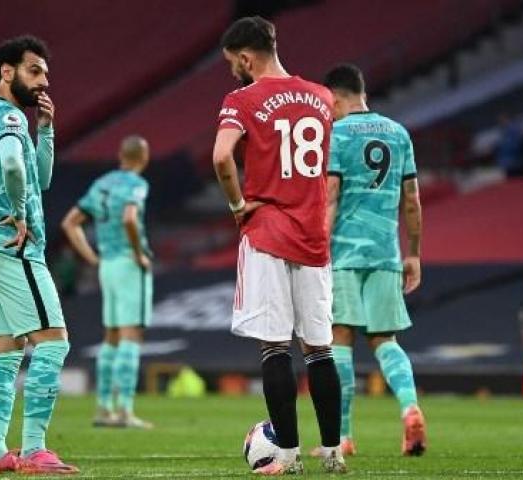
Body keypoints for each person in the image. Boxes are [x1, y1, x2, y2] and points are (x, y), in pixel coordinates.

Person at [213, 16, 346, 475]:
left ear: (246, 57)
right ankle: (332, 452)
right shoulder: (323, 97)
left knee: (274, 348)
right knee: (320, 348)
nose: (235, 72)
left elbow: (220, 156)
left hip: (268, 230)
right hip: (313, 235)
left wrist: (236, 204)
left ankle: (286, 454)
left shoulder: (241, 99)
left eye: (235, 64)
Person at [0, 35, 78, 475]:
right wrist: (18, 214)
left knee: (6, 352)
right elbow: (13, 168)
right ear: (7, 72)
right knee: (53, 343)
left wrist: (46, 132)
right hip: (14, 247)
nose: (44, 81)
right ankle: (34, 450)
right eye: (35, 71)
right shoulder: (10, 118)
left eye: (46, 73)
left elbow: (40, 180)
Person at [314, 64, 426, 458]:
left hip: (343, 253)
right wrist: (413, 252)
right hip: (385, 253)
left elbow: (330, 197)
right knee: (385, 340)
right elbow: (412, 200)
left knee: (339, 338)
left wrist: (316, 248)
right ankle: (410, 408)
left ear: (337, 98)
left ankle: (342, 436)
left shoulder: (337, 134)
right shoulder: (398, 133)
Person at [62, 135, 153, 429]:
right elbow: (129, 217)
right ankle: (125, 411)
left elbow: (70, 222)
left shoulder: (102, 183)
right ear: (144, 157)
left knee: (111, 336)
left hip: (107, 265)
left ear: (120, 155)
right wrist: (139, 253)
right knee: (130, 335)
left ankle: (103, 408)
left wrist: (91, 257)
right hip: (128, 262)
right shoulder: (136, 184)